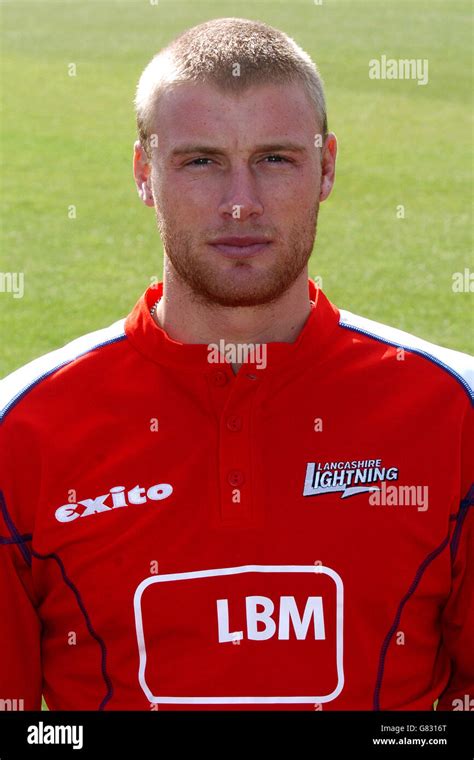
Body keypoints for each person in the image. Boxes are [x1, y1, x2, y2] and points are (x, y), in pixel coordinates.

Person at [0, 17, 472, 712]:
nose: (241, 202)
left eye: (276, 158)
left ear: (328, 167)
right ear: (144, 173)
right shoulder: (23, 431)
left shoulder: (454, 413)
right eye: (201, 161)